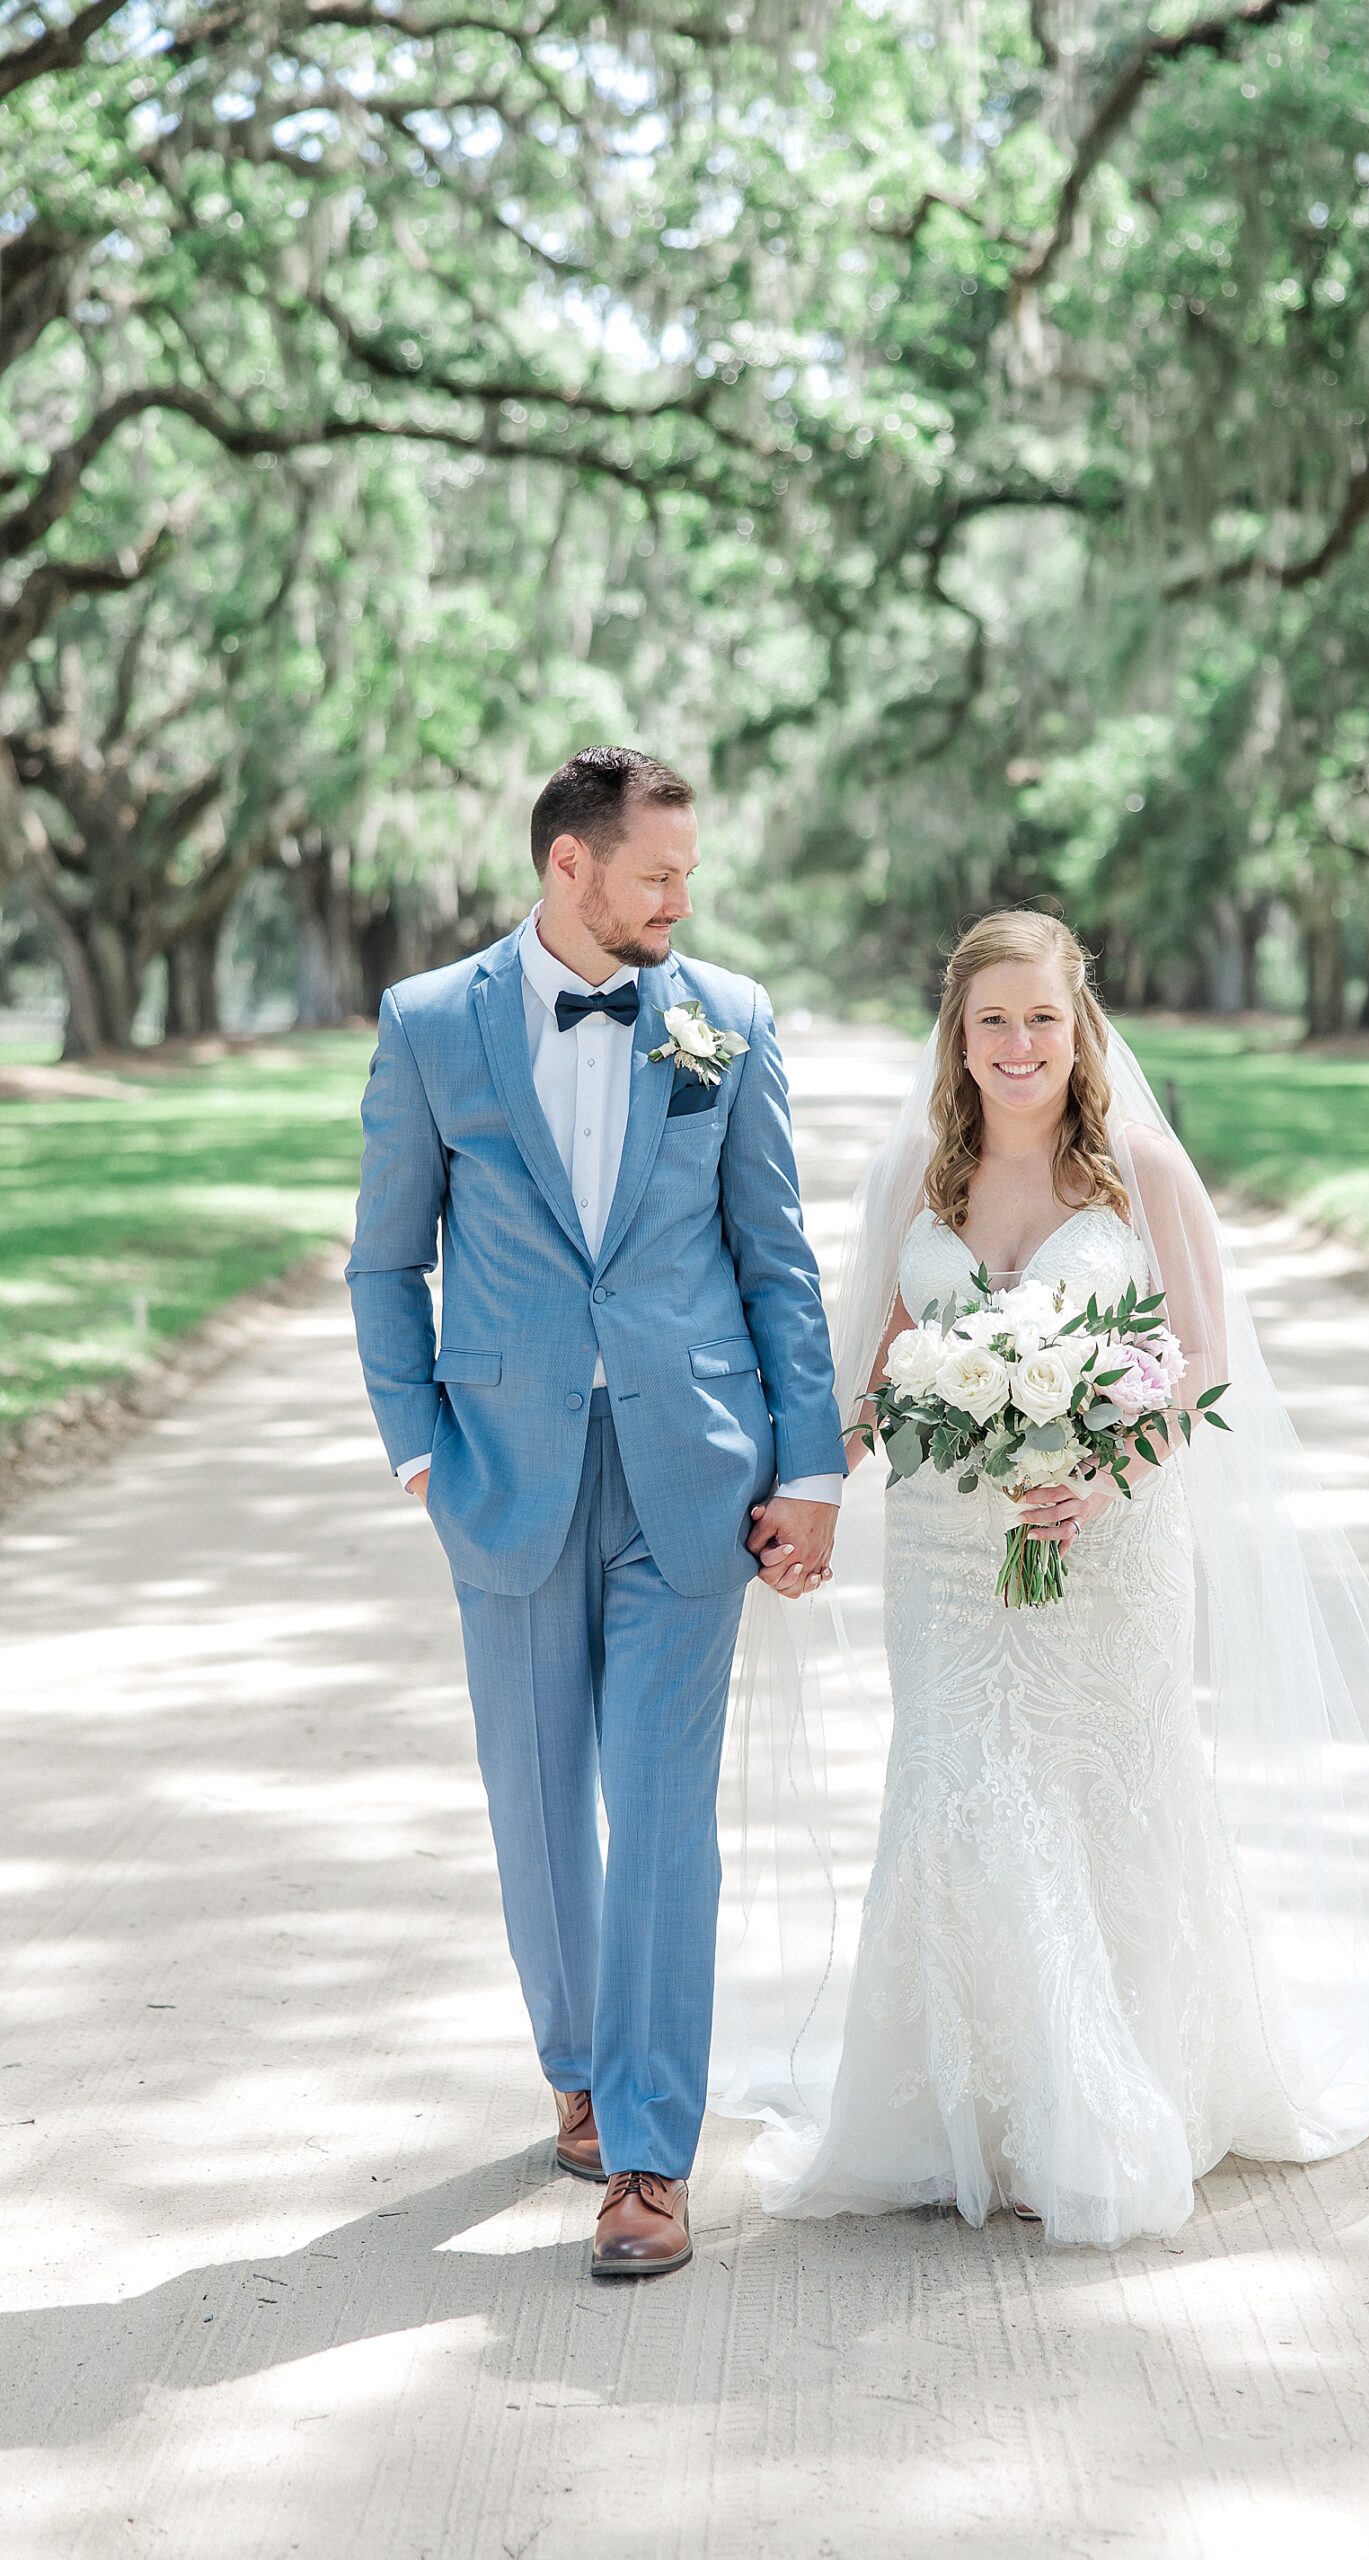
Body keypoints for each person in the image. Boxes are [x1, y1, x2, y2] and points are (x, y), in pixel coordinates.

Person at [741, 911, 1369, 2249]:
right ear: (956, 1040)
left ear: (1081, 1033)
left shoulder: (1139, 1170)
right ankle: (966, 2111)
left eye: (1042, 1021)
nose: (1019, 1047)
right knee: (960, 1785)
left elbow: (1203, 1362)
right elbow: (881, 1357)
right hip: (954, 1551)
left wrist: (1104, 1472)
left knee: (1093, 1796)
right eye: (992, 1024)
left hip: (1106, 1545)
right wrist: (816, 1490)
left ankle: (1098, 2103)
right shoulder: (915, 1172)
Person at [345, 745, 845, 2279]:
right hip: (506, 1468)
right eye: (655, 876)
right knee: (539, 1800)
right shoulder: (433, 1025)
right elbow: (384, 1261)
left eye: (686, 877)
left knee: (661, 1812)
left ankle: (647, 2151)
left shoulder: (726, 1019)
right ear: (571, 868)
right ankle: (574, 2063)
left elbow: (777, 1257)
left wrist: (810, 1469)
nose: (679, 902)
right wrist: (420, 1447)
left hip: (693, 1466)